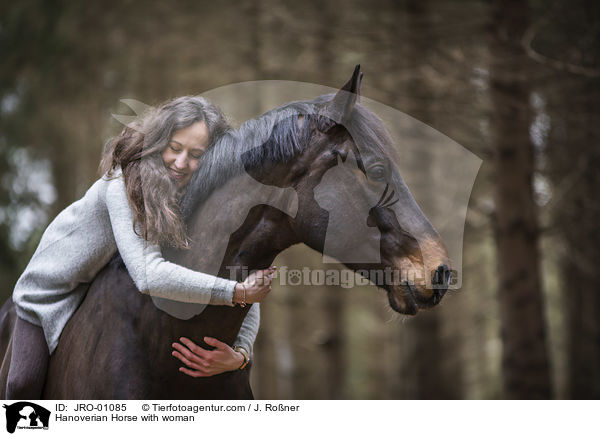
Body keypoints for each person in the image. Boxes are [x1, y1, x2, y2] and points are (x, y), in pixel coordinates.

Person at [7, 96, 273, 399]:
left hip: (98, 286)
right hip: (48, 293)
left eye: (196, 154)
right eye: (175, 148)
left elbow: (241, 279)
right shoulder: (121, 184)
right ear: (159, 141)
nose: (182, 162)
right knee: (22, 384)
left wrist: (241, 354)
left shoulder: (195, 193)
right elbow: (149, 275)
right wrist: (235, 293)